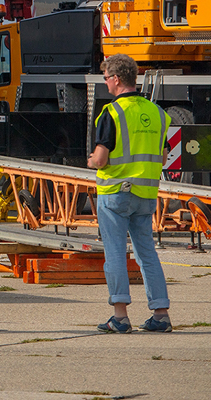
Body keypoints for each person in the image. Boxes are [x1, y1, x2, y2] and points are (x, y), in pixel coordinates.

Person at [90, 54, 172, 333]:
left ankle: (120, 316)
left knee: (114, 253)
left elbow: (101, 159)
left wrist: (92, 160)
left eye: (106, 79)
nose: (106, 84)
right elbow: (162, 157)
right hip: (145, 194)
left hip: (115, 192)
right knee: (146, 252)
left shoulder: (112, 113)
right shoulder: (157, 113)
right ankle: (160, 314)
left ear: (115, 79)